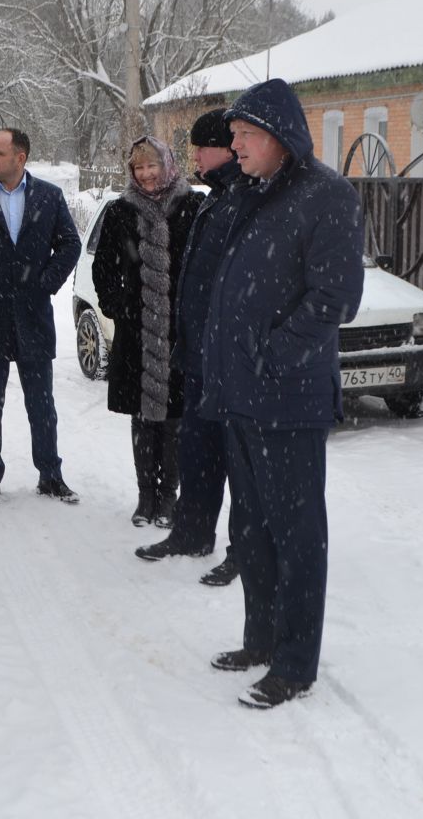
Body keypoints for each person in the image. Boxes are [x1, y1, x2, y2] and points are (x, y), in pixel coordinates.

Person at [198, 79, 364, 710]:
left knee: (297, 535)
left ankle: (295, 664)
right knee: (251, 528)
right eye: (233, 137)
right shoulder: (254, 193)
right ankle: (261, 639)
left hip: (287, 400)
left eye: (243, 136)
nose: (233, 146)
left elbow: (334, 300)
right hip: (240, 396)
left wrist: (271, 358)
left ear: (278, 136)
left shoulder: (327, 196)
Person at [133, 110, 246, 585]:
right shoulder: (215, 198)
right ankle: (191, 532)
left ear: (228, 148)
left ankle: (244, 550)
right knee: (199, 454)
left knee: (241, 466)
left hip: (231, 362)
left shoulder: (246, 199)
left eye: (204, 146)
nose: (195, 154)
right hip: (199, 358)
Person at [0, 127, 82, 505]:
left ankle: (50, 475)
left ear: (20, 158)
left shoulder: (49, 196)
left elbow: (70, 244)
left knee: (42, 404)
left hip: (33, 316)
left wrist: (45, 283)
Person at [91, 136, 201, 527]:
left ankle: (168, 496)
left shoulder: (191, 207)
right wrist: (119, 306)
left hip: (177, 332)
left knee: (173, 417)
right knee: (142, 417)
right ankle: (144, 495)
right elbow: (102, 268)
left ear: (167, 165)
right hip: (136, 333)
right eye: (138, 167)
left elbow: (202, 269)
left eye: (152, 165)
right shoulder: (120, 211)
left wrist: (189, 312)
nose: (146, 174)